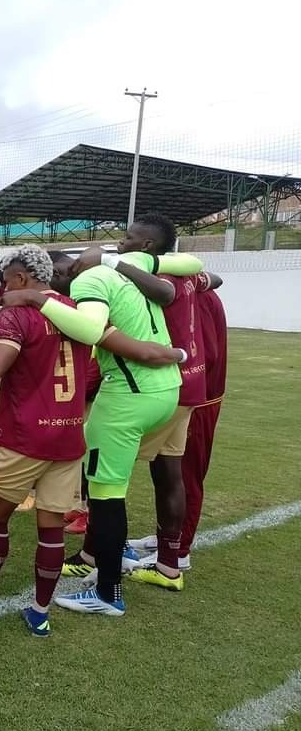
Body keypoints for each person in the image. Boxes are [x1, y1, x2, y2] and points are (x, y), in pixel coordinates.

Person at [0, 246, 181, 636]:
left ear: (18, 279)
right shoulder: (79, 310)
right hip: (67, 436)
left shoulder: (18, 313)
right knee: (50, 528)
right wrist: (174, 354)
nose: (3, 290)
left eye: (6, 282)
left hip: (24, 436)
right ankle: (39, 611)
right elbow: (129, 350)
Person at [0, 235, 203, 616]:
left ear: (73, 270)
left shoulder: (87, 282)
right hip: (166, 390)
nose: (53, 282)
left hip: (128, 397)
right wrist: (116, 259)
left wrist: (36, 299)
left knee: (107, 497)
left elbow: (91, 330)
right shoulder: (134, 265)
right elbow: (192, 264)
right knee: (116, 487)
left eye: (56, 275)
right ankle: (97, 558)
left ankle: (108, 592)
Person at [117, 215, 221, 591]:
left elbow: (165, 295)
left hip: (165, 387)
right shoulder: (187, 274)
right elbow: (216, 279)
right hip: (190, 386)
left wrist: (115, 265)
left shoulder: (159, 280)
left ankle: (101, 562)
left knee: (109, 473)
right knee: (168, 473)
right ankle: (168, 562)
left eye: (129, 238)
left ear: (146, 246)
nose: (121, 242)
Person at [131, 274, 226, 569]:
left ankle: (179, 551)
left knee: (185, 474)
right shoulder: (189, 287)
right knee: (165, 468)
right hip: (183, 393)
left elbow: (204, 352)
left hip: (198, 396)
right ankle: (166, 539)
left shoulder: (194, 295)